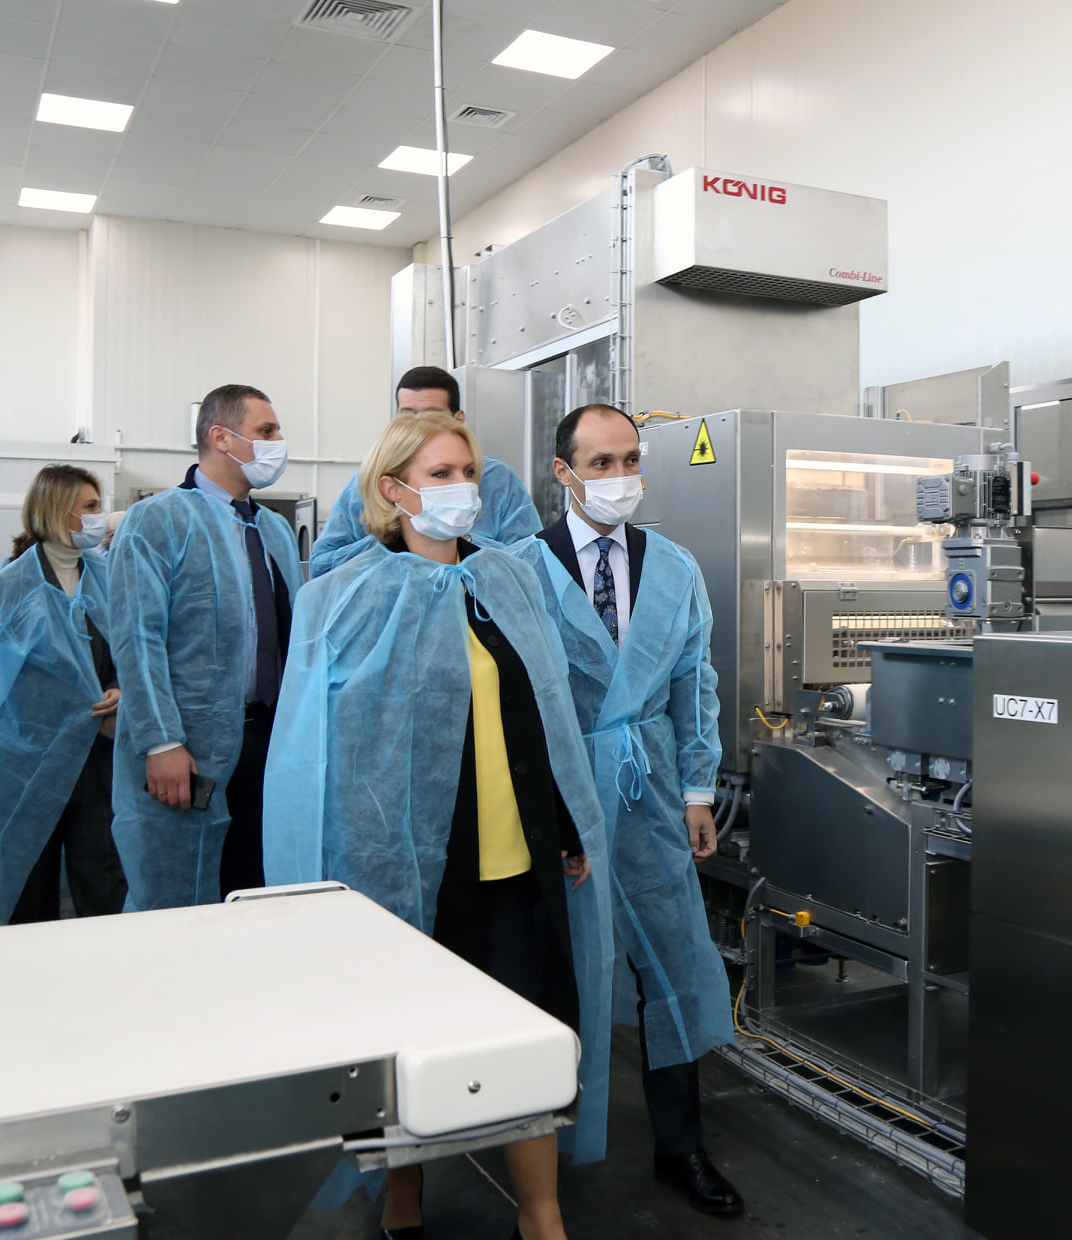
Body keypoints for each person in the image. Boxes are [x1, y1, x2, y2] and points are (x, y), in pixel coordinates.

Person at [265, 413, 613, 1240]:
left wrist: (566, 825)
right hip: (403, 868)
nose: (464, 489)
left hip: (515, 860)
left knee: (528, 1039)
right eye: (442, 474)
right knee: (406, 1040)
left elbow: (547, 714)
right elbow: (316, 754)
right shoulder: (343, 598)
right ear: (394, 490)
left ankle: (541, 1213)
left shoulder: (506, 581)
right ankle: (403, 1194)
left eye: (469, 473)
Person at [516, 404, 743, 1216]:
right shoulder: (520, 568)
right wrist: (547, 813)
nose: (620, 478)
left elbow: (693, 683)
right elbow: (512, 706)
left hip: (649, 789)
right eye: (600, 463)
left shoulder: (673, 567)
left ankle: (681, 1147)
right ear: (563, 473)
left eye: (630, 460)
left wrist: (696, 790)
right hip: (559, 792)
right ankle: (539, 1161)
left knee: (671, 966)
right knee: (552, 970)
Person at [109, 384, 302, 910]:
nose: (278, 442)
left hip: (268, 737)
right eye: (266, 431)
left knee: (258, 881)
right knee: (183, 891)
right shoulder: (159, 520)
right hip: (190, 746)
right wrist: (160, 742)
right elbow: (137, 638)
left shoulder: (274, 529)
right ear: (221, 437)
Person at [0, 465, 126, 927]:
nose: (99, 518)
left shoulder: (107, 576)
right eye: (90, 507)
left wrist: (121, 688)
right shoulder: (13, 586)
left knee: (102, 881)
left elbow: (126, 648)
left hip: (95, 757)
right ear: (57, 511)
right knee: (27, 884)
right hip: (29, 760)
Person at [308, 366, 540, 576]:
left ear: (458, 420)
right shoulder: (365, 484)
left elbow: (531, 565)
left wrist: (461, 544)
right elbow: (322, 565)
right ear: (390, 489)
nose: (418, 428)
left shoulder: (499, 481)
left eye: (433, 416)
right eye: (407, 417)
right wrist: (394, 544)